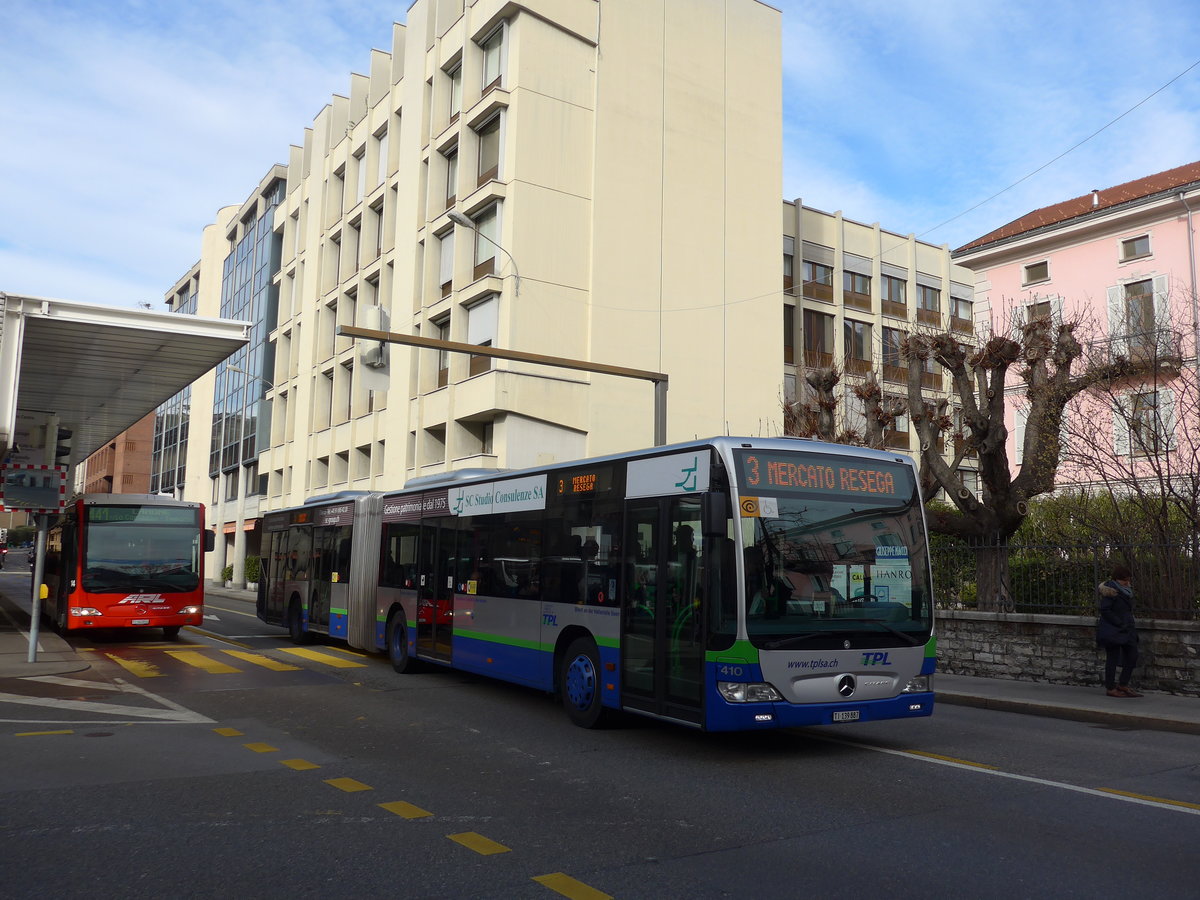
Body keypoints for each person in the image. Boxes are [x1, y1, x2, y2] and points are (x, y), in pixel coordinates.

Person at [1096, 564, 1142, 698]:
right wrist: (1120, 623)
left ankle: (1123, 684)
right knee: (1112, 659)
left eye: (1128, 580)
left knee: (1132, 656)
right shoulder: (1110, 592)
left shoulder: (1126, 591)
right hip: (1114, 630)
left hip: (1127, 629)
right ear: (1116, 579)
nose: (1127, 583)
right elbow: (1105, 610)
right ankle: (1110, 688)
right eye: (1124, 580)